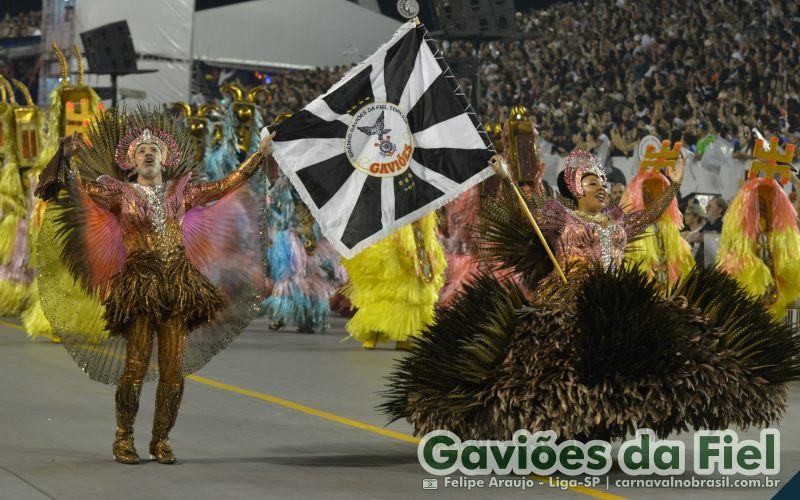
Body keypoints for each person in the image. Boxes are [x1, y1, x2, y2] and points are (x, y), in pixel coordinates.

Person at [383, 150, 799, 442]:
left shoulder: (617, 221)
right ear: (576, 188)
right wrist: (506, 175)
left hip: (616, 299)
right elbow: (526, 202)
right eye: (592, 182)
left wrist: (673, 185)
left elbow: (650, 215)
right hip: (568, 296)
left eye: (603, 181)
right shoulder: (559, 215)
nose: (601, 187)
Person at [35, 109, 271, 464]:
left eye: (154, 150)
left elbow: (227, 183)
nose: (148, 153)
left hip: (176, 286)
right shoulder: (119, 194)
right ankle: (123, 437)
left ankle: (161, 440)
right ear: (131, 161)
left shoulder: (183, 191)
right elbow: (74, 188)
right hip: (140, 287)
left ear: (165, 159)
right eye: (141, 150)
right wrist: (64, 158)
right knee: (135, 366)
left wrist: (260, 153)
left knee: (173, 372)